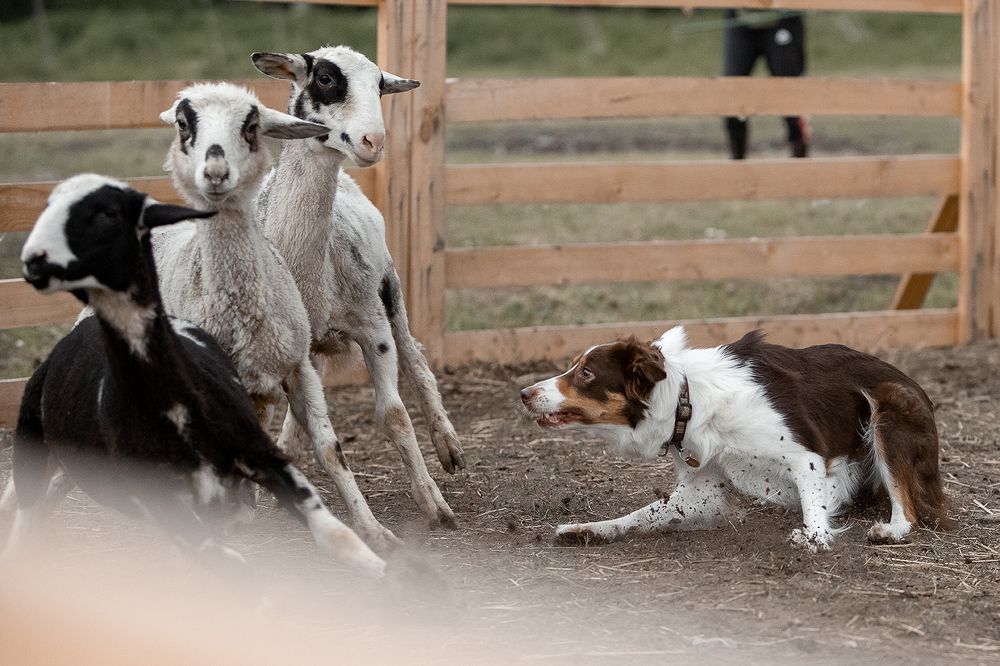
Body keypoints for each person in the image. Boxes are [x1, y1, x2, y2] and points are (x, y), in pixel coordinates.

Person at [722, 9, 809, 159]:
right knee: (732, 97)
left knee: (792, 100)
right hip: (740, 19)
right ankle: (737, 170)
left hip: (783, 16)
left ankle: (800, 167)